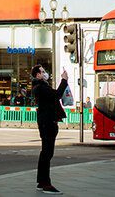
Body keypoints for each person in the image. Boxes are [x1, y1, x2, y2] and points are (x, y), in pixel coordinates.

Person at [31, 64, 68, 195]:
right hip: (47, 123)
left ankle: (41, 182)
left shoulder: (40, 86)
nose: (45, 73)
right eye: (42, 71)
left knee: (45, 153)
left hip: (46, 122)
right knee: (47, 153)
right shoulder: (41, 87)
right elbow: (57, 94)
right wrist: (64, 80)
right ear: (37, 75)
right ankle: (46, 184)